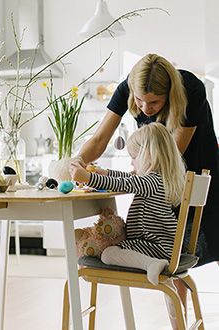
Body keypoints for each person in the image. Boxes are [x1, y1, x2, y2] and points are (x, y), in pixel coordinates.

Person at [73, 53, 219, 326]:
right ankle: (179, 324)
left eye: (154, 102)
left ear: (169, 94)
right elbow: (100, 138)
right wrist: (77, 163)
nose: (145, 107)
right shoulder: (128, 88)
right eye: (139, 101)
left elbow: (170, 156)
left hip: (193, 172)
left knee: (212, 244)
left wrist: (127, 175)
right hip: (165, 178)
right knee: (175, 259)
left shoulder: (190, 90)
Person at [70, 122, 186, 286]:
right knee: (111, 250)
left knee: (108, 254)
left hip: (158, 248)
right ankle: (155, 268)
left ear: (149, 155)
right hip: (163, 246)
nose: (132, 163)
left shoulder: (151, 181)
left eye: (134, 157)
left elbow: (125, 184)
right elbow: (129, 179)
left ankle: (151, 264)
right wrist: (106, 173)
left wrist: (88, 178)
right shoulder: (160, 179)